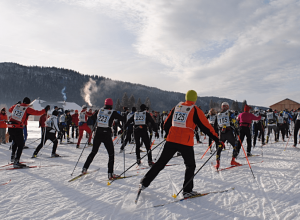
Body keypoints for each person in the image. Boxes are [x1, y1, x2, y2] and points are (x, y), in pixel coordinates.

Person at [139, 90, 220, 198]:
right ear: (195, 99)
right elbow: (206, 127)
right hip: (185, 142)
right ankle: (187, 191)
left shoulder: (177, 107)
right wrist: (217, 139)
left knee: (160, 163)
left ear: (186, 98)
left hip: (171, 140)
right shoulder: (195, 109)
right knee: (190, 165)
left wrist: (169, 133)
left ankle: (144, 182)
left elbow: (165, 124)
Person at [82, 98, 125, 179]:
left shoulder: (99, 110)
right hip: (106, 134)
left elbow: (91, 118)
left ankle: (84, 168)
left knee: (93, 152)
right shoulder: (113, 112)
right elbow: (122, 119)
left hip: (98, 132)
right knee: (111, 154)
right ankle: (110, 174)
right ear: (111, 105)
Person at [8, 97, 49, 167]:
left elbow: (10, 110)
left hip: (10, 127)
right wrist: (45, 109)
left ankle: (13, 157)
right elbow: (37, 113)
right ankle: (16, 162)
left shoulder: (16, 106)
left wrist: (17, 104)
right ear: (28, 103)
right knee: (20, 145)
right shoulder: (27, 108)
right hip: (18, 128)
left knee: (15, 142)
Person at [215, 102, 240, 169]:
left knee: (219, 147)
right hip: (229, 132)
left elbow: (216, 125)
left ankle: (217, 163)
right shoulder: (230, 113)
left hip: (221, 133)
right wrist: (237, 131)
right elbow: (235, 122)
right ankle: (233, 161)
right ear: (227, 107)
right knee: (235, 145)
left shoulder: (218, 114)